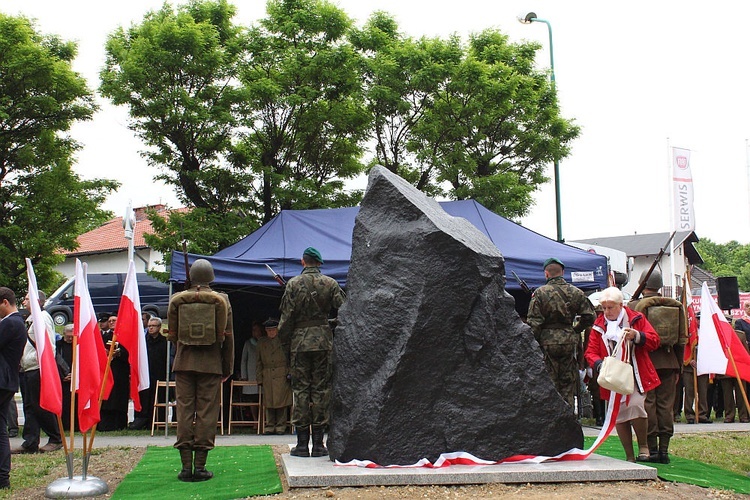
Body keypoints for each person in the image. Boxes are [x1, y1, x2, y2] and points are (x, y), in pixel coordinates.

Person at [168, 259, 234, 482]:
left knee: (184, 411)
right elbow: (229, 338)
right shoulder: (221, 300)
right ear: (211, 278)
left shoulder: (178, 300)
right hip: (211, 363)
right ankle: (201, 466)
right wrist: (227, 367)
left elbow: (174, 336)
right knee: (207, 412)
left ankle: (186, 468)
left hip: (184, 363)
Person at [279, 247, 346, 458]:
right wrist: (330, 323)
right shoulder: (330, 283)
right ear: (319, 263)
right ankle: (319, 444)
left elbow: (286, 319)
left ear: (303, 262)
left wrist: (285, 344)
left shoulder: (292, 284)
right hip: (324, 342)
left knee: (300, 391)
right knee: (321, 390)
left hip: (299, 343)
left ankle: (301, 445)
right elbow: (345, 309)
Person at [585, 286, 661, 463]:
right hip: (612, 376)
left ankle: (643, 445)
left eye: (610, 307)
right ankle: (629, 455)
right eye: (604, 308)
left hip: (635, 373)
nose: (606, 311)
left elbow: (654, 340)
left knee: (635, 405)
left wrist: (637, 335)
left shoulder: (636, 319)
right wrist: (599, 364)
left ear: (620, 305)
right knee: (618, 414)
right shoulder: (598, 325)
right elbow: (590, 352)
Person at [628, 269, 687, 464]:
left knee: (648, 406)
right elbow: (681, 340)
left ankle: (651, 449)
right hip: (670, 362)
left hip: (646, 363)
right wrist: (678, 366)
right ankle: (664, 450)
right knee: (666, 406)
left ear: (643, 284)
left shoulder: (635, 306)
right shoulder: (674, 306)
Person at [527, 257, 596, 409]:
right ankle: (568, 420)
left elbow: (534, 323)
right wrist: (575, 330)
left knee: (549, 383)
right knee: (567, 384)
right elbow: (590, 316)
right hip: (569, 341)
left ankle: (552, 422)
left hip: (547, 342)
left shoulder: (540, 293)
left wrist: (534, 343)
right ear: (563, 273)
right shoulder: (576, 292)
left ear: (546, 274)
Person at [12, 291, 63, 455]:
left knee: (40, 405)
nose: (24, 302)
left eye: (27, 299)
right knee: (30, 407)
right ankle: (31, 441)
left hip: (38, 367)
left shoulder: (43, 317)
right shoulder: (31, 320)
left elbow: (48, 343)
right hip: (28, 368)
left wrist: (38, 361)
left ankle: (56, 438)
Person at [0, 288, 28, 488]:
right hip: (7, 380)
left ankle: (2, 476)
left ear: (4, 302)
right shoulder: (16, 322)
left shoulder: (10, 323)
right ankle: (2, 478)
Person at [130, 317, 171, 430]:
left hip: (160, 374)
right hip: (146, 375)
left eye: (153, 326)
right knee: (145, 398)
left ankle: (159, 421)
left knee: (160, 398)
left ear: (159, 327)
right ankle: (143, 421)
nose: (151, 328)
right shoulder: (144, 342)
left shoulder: (165, 342)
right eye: (149, 326)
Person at [257, 318, 292, 435]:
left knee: (281, 401)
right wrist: (259, 378)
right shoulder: (261, 342)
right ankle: (270, 425)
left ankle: (281, 425)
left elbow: (290, 357)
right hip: (267, 373)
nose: (271, 332)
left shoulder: (284, 341)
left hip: (281, 373)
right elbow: (258, 362)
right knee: (269, 401)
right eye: (268, 330)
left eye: (273, 330)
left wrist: (290, 372)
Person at [99, 315, 130, 431]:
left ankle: (119, 424)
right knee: (106, 397)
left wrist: (119, 353)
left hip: (120, 371)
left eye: (114, 320)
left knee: (119, 398)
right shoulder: (104, 336)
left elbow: (129, 352)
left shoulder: (125, 336)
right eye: (110, 321)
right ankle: (105, 424)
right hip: (107, 371)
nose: (111, 322)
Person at [683, 312, 711, 424]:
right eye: (698, 319)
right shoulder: (689, 332)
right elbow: (684, 348)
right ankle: (689, 415)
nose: (699, 321)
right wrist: (690, 360)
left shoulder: (708, 333)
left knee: (703, 392)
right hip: (689, 367)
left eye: (701, 319)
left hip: (703, 366)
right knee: (689, 392)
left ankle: (702, 415)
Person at [239, 321, 262, 421]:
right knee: (253, 399)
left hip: (262, 374)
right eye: (253, 330)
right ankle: (255, 420)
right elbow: (243, 360)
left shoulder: (265, 342)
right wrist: (244, 375)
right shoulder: (248, 343)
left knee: (263, 398)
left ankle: (263, 420)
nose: (255, 332)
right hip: (251, 374)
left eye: (257, 330)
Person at [56, 324, 77, 431]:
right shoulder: (57, 345)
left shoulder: (78, 345)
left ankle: (75, 426)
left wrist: (75, 375)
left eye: (72, 337)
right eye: (68, 336)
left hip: (76, 380)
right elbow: (54, 361)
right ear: (64, 334)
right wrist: (63, 376)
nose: (70, 338)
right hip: (62, 379)